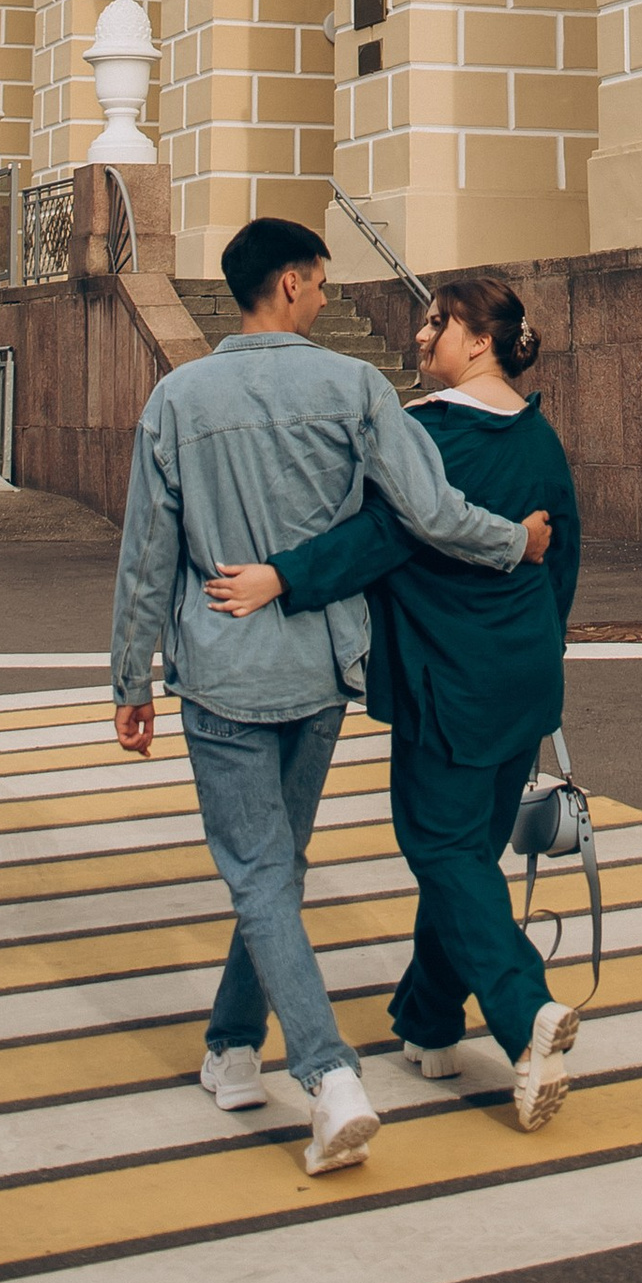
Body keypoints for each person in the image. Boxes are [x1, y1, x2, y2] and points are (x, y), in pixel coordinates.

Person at [109, 215, 551, 1179]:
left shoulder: (177, 398)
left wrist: (128, 676)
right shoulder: (353, 386)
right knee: (275, 868)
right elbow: (429, 513)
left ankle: (327, 1075)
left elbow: (147, 552)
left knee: (262, 874)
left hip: (221, 669)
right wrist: (516, 541)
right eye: (318, 277)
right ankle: (232, 1049)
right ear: (298, 285)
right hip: (315, 674)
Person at [208, 268, 584, 1133]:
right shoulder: (539, 436)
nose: (421, 337)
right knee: (465, 859)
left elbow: (377, 539)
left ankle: (527, 1012)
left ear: (478, 341)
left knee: (442, 849)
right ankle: (427, 1020)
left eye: (436, 323)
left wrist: (281, 577)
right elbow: (562, 561)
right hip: (522, 678)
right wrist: (539, 651)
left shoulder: (424, 432)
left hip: (445, 680)